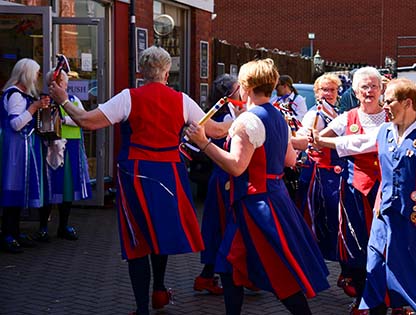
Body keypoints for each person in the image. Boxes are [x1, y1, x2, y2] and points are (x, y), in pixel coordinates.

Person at [49, 45, 230, 315]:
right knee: (161, 234)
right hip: (169, 173)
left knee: (137, 240)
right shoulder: (181, 100)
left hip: (135, 173)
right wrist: (248, 116)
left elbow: (86, 121)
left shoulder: (128, 97)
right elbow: (215, 130)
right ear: (167, 72)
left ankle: (143, 307)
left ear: (142, 72)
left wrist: (63, 99)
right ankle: (158, 289)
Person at [314, 78, 416, 315]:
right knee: (375, 266)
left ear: (407, 103)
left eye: (389, 100)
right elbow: (356, 142)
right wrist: (322, 141)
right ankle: (376, 308)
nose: (384, 105)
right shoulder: (384, 131)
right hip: (385, 218)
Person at [186, 59, 330, 315]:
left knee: (278, 270)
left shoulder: (247, 121)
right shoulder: (277, 114)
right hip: (273, 199)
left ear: (245, 85)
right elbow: (290, 160)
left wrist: (203, 143)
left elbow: (236, 167)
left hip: (256, 204)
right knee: (230, 263)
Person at [319, 67, 387, 313]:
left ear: (381, 89)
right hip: (354, 192)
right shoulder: (346, 118)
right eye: (364, 87)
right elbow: (317, 138)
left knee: (387, 246)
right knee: (357, 246)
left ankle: (390, 300)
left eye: (373, 86)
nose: (369, 91)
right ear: (356, 91)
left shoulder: (393, 116)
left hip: (387, 192)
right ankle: (362, 299)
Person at [193, 73, 244, 295]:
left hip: (228, 175)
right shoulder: (223, 116)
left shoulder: (232, 113)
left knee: (223, 226)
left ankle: (210, 275)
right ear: (228, 95)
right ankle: (217, 274)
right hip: (224, 176)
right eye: (238, 88)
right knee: (222, 225)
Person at [291, 72, 346, 262]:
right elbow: (305, 139)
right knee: (320, 217)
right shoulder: (314, 114)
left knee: (336, 218)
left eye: (332, 90)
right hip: (320, 174)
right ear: (317, 92)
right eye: (324, 90)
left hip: (336, 173)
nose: (328, 93)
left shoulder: (337, 113)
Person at [34, 69, 92, 242]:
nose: (60, 85)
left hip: (71, 148)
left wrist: (65, 120)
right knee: (48, 188)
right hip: (50, 148)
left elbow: (84, 119)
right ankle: (43, 227)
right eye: (56, 82)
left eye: (62, 81)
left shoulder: (73, 101)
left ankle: (63, 226)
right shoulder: (45, 101)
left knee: (67, 189)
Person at [0, 58, 50, 253]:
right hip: (15, 149)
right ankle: (8, 234)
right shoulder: (14, 95)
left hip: (22, 149)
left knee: (18, 190)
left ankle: (14, 231)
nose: (37, 78)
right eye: (36, 73)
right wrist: (34, 108)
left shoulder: (21, 95)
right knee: (13, 189)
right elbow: (15, 124)